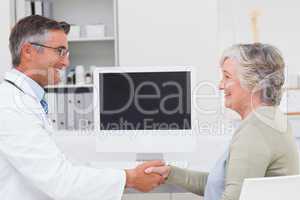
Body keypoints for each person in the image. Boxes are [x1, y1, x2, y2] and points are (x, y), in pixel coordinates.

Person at [0, 15, 164, 200]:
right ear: (28, 51)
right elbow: (60, 181)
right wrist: (129, 178)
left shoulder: (25, 99)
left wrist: (123, 175)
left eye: (66, 53)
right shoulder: (11, 106)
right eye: (59, 51)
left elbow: (60, 166)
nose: (66, 62)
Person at [146, 43, 300, 200]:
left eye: (227, 77)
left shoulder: (255, 130)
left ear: (253, 83)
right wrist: (170, 173)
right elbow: (222, 184)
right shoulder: (269, 120)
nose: (220, 85)